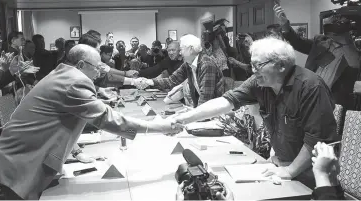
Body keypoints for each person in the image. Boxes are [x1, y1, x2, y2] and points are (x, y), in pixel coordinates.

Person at [0, 44, 183, 200]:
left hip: (16, 158)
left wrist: (76, 151)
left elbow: (59, 118)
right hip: (19, 166)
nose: (99, 74)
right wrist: (161, 127)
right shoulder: (75, 82)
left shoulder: (63, 74)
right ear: (80, 65)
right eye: (97, 68)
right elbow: (107, 119)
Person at [170, 37, 340, 189]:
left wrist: (289, 171)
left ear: (281, 65)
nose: (253, 71)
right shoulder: (261, 81)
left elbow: (315, 141)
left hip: (314, 179)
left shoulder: (310, 87)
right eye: (252, 65)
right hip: (282, 169)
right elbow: (227, 101)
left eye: (258, 66)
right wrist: (183, 118)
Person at [274, 0, 361, 110]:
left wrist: (346, 39)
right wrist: (285, 25)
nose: (335, 22)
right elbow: (298, 43)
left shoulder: (354, 48)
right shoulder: (320, 41)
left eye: (340, 20)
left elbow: (355, 64)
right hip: (309, 97)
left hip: (335, 104)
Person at [134, 34, 224, 107]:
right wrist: (149, 81)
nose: (180, 53)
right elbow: (171, 81)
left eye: (181, 49)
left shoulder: (206, 64)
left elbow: (205, 99)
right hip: (203, 110)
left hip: (214, 113)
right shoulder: (188, 64)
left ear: (190, 49)